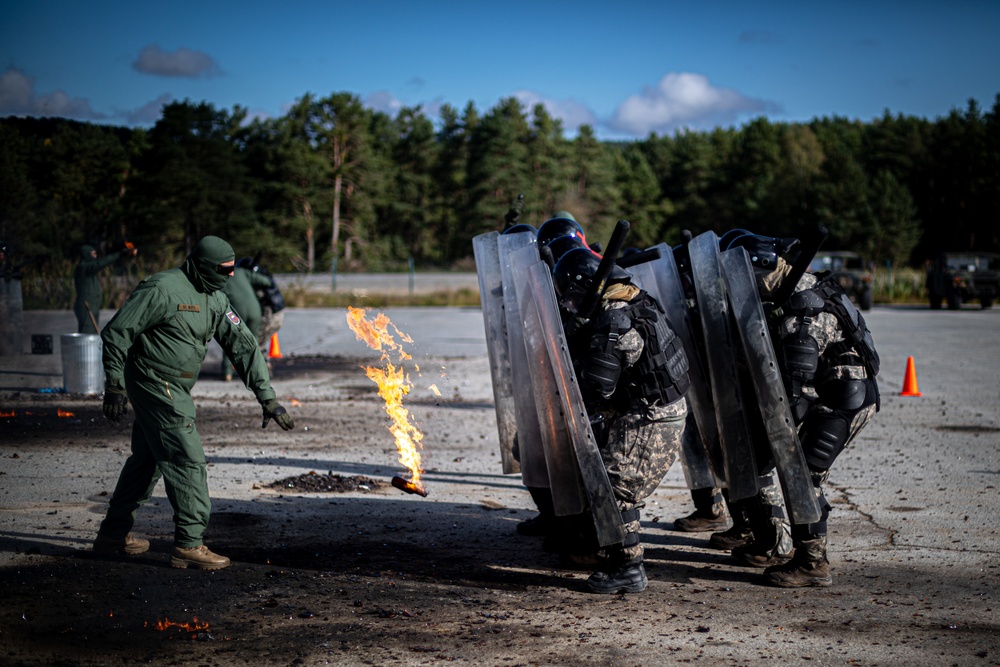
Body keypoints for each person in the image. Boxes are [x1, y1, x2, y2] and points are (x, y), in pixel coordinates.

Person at [93, 235, 295, 570]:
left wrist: (267, 397)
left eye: (233, 270)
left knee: (148, 459)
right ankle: (188, 544)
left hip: (177, 386)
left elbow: (243, 345)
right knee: (187, 457)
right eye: (224, 270)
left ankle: (112, 534)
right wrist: (114, 383)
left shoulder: (214, 297)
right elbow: (117, 332)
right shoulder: (162, 289)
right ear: (202, 266)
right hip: (154, 382)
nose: (231, 276)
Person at [726, 232, 880, 587]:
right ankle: (776, 545)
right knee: (790, 466)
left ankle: (812, 564)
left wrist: (777, 438)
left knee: (804, 476)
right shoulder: (796, 288)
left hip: (844, 400)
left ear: (763, 268)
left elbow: (795, 394)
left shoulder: (804, 308)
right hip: (833, 392)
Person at [554, 247, 691, 594]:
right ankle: (604, 546)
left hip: (651, 417)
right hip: (646, 408)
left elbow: (597, 386)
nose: (570, 305)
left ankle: (629, 569)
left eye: (571, 297)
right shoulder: (637, 299)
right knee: (603, 477)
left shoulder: (615, 320)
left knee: (617, 489)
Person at [220, 259, 274, 381]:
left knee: (230, 340)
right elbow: (266, 281)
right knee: (253, 343)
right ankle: (255, 373)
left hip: (237, 312)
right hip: (255, 310)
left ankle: (227, 373)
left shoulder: (221, 277)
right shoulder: (243, 272)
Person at [73, 243, 136, 334]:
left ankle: (94, 349)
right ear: (86, 255)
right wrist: (119, 254)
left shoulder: (89, 271)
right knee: (86, 334)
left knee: (93, 334)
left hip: (92, 306)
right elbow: (102, 263)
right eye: (92, 254)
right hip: (87, 307)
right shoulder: (83, 268)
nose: (95, 256)